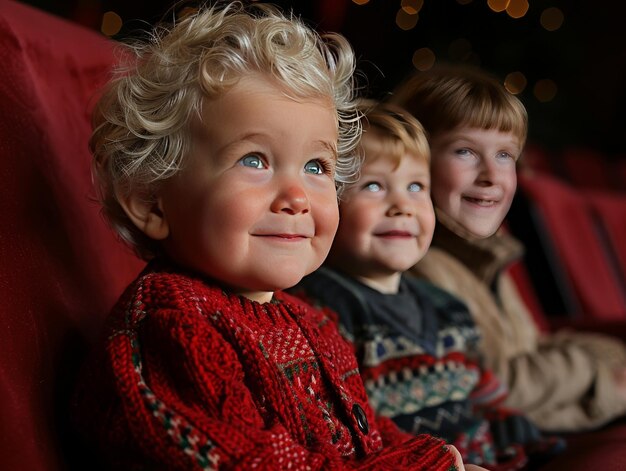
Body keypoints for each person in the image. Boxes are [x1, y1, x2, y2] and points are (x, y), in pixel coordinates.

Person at [70, 4, 487, 470]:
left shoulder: (311, 324)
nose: (297, 196)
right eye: (254, 160)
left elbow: (364, 437)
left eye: (316, 167)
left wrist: (446, 459)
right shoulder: (173, 326)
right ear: (151, 201)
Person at [291, 100, 563, 470]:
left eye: (416, 186)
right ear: (331, 202)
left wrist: (511, 425)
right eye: (374, 185)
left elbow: (479, 387)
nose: (402, 205)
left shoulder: (447, 305)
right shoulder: (321, 310)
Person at [389, 64, 626, 432]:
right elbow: (493, 392)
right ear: (413, 162)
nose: (490, 175)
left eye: (505, 155)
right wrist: (602, 382)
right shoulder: (422, 269)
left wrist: (609, 358)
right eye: (465, 151)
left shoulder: (486, 255)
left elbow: (532, 348)